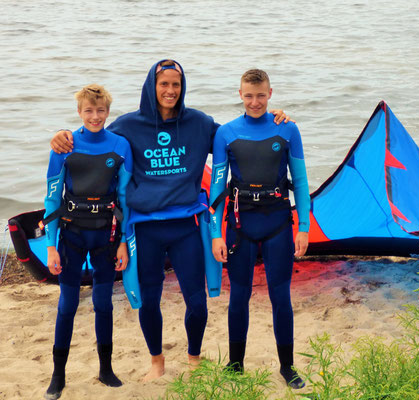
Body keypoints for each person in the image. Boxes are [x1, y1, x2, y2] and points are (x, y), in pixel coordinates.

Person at [49, 60, 291, 381]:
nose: (170, 91)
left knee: (198, 302)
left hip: (185, 227)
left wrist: (278, 120)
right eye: (163, 84)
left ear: (182, 87)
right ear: (152, 85)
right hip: (145, 229)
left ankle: (194, 358)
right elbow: (95, 137)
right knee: (149, 301)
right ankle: (157, 361)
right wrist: (63, 136)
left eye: (176, 84)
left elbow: (240, 138)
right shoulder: (128, 126)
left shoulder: (199, 124)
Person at [208, 69, 310, 389]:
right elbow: (216, 187)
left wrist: (303, 227)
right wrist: (215, 234)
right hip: (240, 223)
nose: (255, 102)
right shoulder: (226, 133)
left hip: (279, 221)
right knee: (239, 296)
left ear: (270, 94)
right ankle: (235, 365)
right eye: (249, 95)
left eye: (261, 95)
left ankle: (287, 367)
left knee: (281, 296)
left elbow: (302, 183)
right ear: (240, 94)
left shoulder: (289, 129)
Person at [42, 84, 132, 399]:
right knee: (67, 305)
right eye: (89, 111)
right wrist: (51, 245)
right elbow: (52, 198)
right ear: (79, 112)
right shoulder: (65, 145)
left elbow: (124, 199)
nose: (95, 116)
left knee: (102, 303)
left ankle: (105, 369)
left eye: (101, 110)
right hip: (71, 234)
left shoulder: (120, 146)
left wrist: (124, 241)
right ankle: (58, 375)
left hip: (105, 236)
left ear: (108, 111)